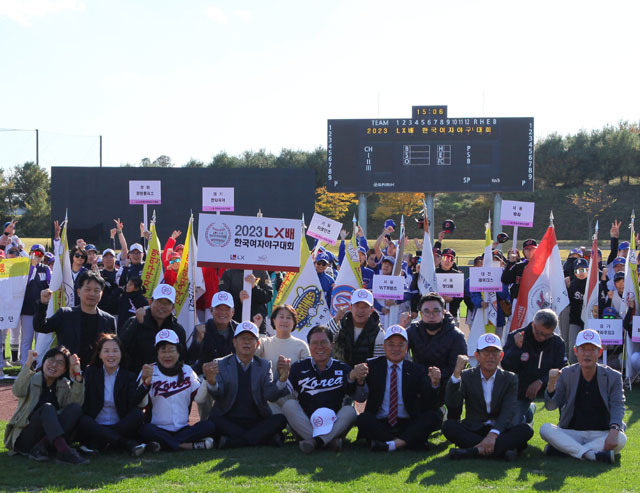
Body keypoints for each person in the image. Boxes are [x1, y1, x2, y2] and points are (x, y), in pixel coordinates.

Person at [442, 333, 534, 461]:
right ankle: (501, 451)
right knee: (449, 426)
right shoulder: (466, 375)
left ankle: (473, 451)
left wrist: (493, 434)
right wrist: (456, 374)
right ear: (477, 356)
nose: (491, 357)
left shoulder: (510, 378)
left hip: (500, 430)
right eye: (486, 353)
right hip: (475, 429)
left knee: (526, 430)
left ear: (501, 356)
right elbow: (452, 402)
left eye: (495, 353)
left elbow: (509, 410)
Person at [540, 329, 626, 464]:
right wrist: (551, 383)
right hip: (572, 432)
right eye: (583, 349)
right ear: (576, 351)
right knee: (545, 429)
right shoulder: (567, 373)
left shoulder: (613, 376)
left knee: (621, 438)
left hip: (601, 433)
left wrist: (614, 431)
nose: (587, 354)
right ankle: (591, 454)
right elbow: (551, 406)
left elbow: (618, 405)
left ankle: (564, 450)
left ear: (600, 352)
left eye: (592, 349)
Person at [203, 321, 291, 449]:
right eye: (242, 338)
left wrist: (282, 379)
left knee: (281, 419)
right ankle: (263, 438)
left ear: (257, 344)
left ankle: (233, 442)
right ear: (234, 342)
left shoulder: (264, 365)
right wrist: (212, 382)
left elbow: (269, 395)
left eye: (251, 339)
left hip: (256, 420)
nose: (246, 342)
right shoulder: (221, 363)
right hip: (229, 418)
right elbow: (219, 394)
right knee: (214, 420)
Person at [357, 325, 443, 452]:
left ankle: (390, 444)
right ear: (384, 346)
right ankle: (408, 442)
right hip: (381, 421)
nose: (395, 349)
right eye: (391, 344)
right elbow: (359, 396)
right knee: (363, 419)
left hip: (408, 421)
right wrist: (358, 380)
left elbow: (429, 402)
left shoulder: (417, 370)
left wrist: (434, 384)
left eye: (400, 345)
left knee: (434, 416)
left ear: (406, 348)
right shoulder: (371, 366)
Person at [284, 325, 368, 454]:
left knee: (350, 411)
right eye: (314, 343)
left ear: (332, 345)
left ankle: (315, 442)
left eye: (323, 342)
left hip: (333, 424)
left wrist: (359, 381)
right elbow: (278, 393)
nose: (319, 347)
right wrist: (282, 378)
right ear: (309, 345)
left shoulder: (343, 368)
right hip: (306, 423)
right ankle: (329, 442)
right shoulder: (298, 367)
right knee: (289, 405)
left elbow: (360, 398)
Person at [4, 347, 88, 465]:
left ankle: (41, 448)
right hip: (26, 437)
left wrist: (77, 374)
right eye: (51, 360)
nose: (54, 365)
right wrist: (28, 363)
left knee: (75, 408)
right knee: (47, 408)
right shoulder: (32, 378)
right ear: (44, 362)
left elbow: (76, 404)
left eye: (60, 363)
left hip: (47, 438)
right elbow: (18, 391)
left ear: (64, 369)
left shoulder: (63, 384)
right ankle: (64, 451)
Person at [139, 329, 215, 451]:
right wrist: (144, 382)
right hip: (157, 428)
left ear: (178, 352)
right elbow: (140, 403)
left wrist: (207, 378)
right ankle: (186, 446)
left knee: (209, 426)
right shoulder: (149, 370)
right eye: (163, 351)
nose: (167, 355)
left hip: (183, 429)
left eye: (171, 350)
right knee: (145, 430)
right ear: (157, 353)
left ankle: (163, 445)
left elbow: (200, 398)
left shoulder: (187, 371)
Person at [78, 334, 151, 456]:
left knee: (137, 414)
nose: (111, 355)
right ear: (100, 355)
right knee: (83, 419)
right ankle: (125, 443)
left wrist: (145, 384)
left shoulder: (128, 376)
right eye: (106, 351)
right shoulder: (90, 372)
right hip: (96, 424)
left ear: (121, 354)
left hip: (119, 425)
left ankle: (102, 441)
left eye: (115, 351)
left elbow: (132, 402)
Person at [35, 271, 116, 369]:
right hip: (66, 372)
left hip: (95, 374)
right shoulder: (65, 314)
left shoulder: (108, 320)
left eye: (96, 290)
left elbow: (112, 348)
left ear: (101, 293)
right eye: (88, 289)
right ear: (78, 292)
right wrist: (43, 304)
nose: (92, 293)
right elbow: (40, 327)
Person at [502, 309, 568, 423]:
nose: (542, 337)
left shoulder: (557, 342)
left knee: (568, 388)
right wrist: (517, 349)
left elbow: (562, 369)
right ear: (533, 324)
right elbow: (506, 367)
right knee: (512, 424)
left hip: (549, 386)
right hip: (522, 388)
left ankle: (565, 427)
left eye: (547, 335)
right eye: (539, 333)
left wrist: (542, 381)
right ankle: (528, 413)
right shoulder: (516, 336)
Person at [405, 292, 467, 408]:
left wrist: (437, 376)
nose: (431, 316)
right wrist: (401, 328)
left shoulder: (456, 336)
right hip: (419, 380)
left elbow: (457, 369)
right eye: (426, 312)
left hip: (446, 383)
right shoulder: (413, 331)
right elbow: (396, 353)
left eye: (436, 311)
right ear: (420, 313)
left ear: (443, 312)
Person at [120, 284, 187, 375]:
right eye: (159, 302)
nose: (162, 307)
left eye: (166, 303)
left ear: (173, 307)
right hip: (136, 380)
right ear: (150, 302)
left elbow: (183, 358)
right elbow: (121, 348)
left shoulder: (178, 329)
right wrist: (136, 323)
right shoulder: (134, 321)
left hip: (166, 384)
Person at [256, 304, 311, 414]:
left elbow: (308, 375)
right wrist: (256, 328)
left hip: (294, 400)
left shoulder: (301, 345)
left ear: (294, 322)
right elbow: (250, 356)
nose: (284, 321)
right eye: (281, 317)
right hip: (269, 400)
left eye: (289, 318)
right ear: (274, 320)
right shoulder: (264, 342)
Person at [327, 289, 385, 367]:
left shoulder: (379, 334)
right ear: (351, 307)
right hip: (338, 375)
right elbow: (324, 339)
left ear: (371, 310)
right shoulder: (340, 325)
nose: (360, 310)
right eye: (357, 306)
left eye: (365, 307)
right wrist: (336, 319)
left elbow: (378, 363)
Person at [14, 244, 51, 366]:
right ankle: (25, 365)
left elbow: (50, 284)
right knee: (26, 339)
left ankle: (39, 365)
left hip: (41, 310)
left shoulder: (45, 269)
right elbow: (24, 282)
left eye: (40, 254)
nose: (37, 256)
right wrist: (32, 267)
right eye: (35, 253)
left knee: (40, 340)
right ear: (30, 253)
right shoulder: (23, 268)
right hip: (27, 309)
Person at [188, 291, 238, 374]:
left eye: (227, 309)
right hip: (206, 377)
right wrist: (197, 341)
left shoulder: (238, 329)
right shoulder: (201, 329)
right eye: (218, 308)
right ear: (211, 310)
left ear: (233, 312)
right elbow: (190, 359)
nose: (223, 312)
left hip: (231, 376)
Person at [436, 248, 464, 319]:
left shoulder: (458, 275)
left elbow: (462, 294)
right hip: (436, 311)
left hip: (453, 311)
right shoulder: (434, 273)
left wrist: (452, 299)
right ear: (441, 259)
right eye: (445, 258)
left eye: (450, 259)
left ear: (453, 262)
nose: (447, 261)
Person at [98, 248, 122, 317]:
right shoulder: (99, 274)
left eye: (111, 257)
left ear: (115, 259)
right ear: (102, 259)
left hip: (118, 312)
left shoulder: (120, 273)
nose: (108, 259)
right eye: (106, 257)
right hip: (102, 312)